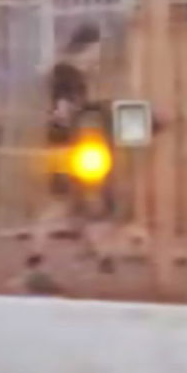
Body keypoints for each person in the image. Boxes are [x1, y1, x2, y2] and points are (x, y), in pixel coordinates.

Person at [24, 24, 116, 291]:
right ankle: (35, 255)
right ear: (87, 47)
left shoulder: (73, 74)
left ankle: (100, 255)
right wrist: (85, 111)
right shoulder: (68, 75)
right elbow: (63, 112)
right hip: (65, 147)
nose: (98, 56)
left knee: (77, 201)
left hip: (70, 146)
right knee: (62, 202)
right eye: (97, 49)